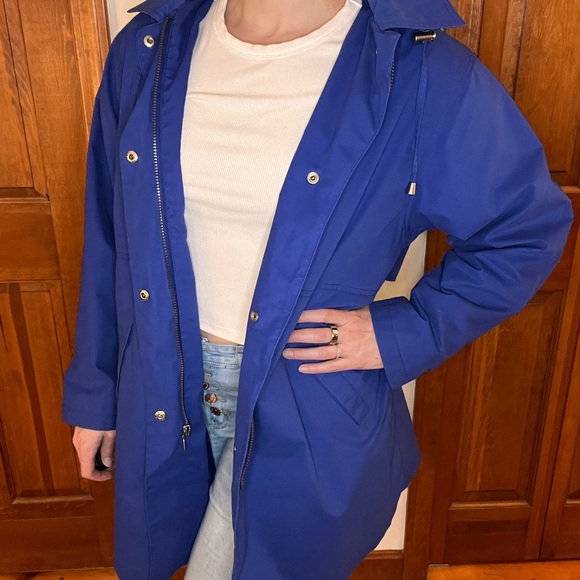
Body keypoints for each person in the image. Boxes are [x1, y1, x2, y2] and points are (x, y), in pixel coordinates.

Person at [62, 0, 573, 577]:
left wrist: (400, 332)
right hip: (156, 379)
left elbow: (522, 230)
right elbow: (109, 237)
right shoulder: (149, 46)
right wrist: (97, 395)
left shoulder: (419, 68)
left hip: (301, 393)